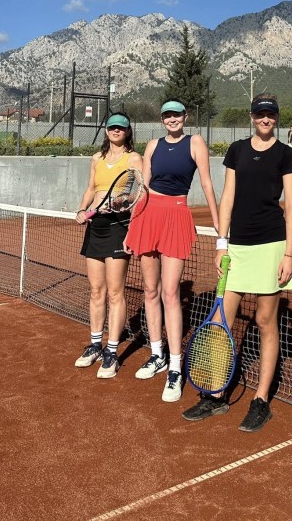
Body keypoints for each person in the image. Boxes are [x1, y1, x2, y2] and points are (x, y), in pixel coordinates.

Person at [181, 93, 292, 431]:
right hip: (238, 247)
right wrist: (222, 243)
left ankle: (261, 400)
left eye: (270, 114)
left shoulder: (285, 154)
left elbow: (291, 205)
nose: (265, 119)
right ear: (251, 117)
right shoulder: (237, 150)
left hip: (272, 244)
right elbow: (228, 196)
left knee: (265, 321)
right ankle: (216, 394)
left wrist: (289, 253)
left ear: (276, 117)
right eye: (260, 114)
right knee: (222, 320)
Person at [124, 100, 219, 403]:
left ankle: (175, 367)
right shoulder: (153, 145)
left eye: (177, 114)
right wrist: (132, 226)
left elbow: (206, 183)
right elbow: (143, 188)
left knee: (170, 293)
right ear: (162, 119)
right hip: (147, 214)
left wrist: (219, 225)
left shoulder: (196, 142)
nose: (172, 119)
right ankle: (157, 355)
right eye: (167, 115)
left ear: (185, 117)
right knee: (150, 290)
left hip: (176, 214)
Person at [74, 112, 143, 379]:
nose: (116, 131)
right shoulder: (96, 159)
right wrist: (82, 209)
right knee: (96, 291)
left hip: (118, 227)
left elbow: (139, 193)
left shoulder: (133, 159)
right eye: (112, 127)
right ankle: (95, 345)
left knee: (115, 293)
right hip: (96, 228)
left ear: (127, 132)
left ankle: (111, 352)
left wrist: (121, 203)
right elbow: (91, 189)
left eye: (121, 128)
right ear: (106, 131)